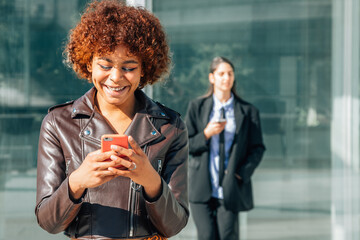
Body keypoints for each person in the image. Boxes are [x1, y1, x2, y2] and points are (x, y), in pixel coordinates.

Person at [35, 1, 189, 239]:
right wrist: (77, 181)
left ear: (144, 69)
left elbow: (175, 224)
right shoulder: (58, 123)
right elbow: (48, 222)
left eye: (129, 67)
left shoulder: (171, 127)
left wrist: (151, 181)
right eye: (105, 65)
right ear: (88, 63)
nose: (115, 78)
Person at [185, 56, 265, 240]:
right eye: (221, 74)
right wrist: (206, 133)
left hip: (230, 187)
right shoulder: (197, 107)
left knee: (228, 235)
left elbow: (258, 148)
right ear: (212, 77)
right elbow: (185, 145)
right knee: (206, 236)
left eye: (230, 74)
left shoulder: (248, 111)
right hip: (202, 185)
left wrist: (241, 174)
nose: (226, 78)